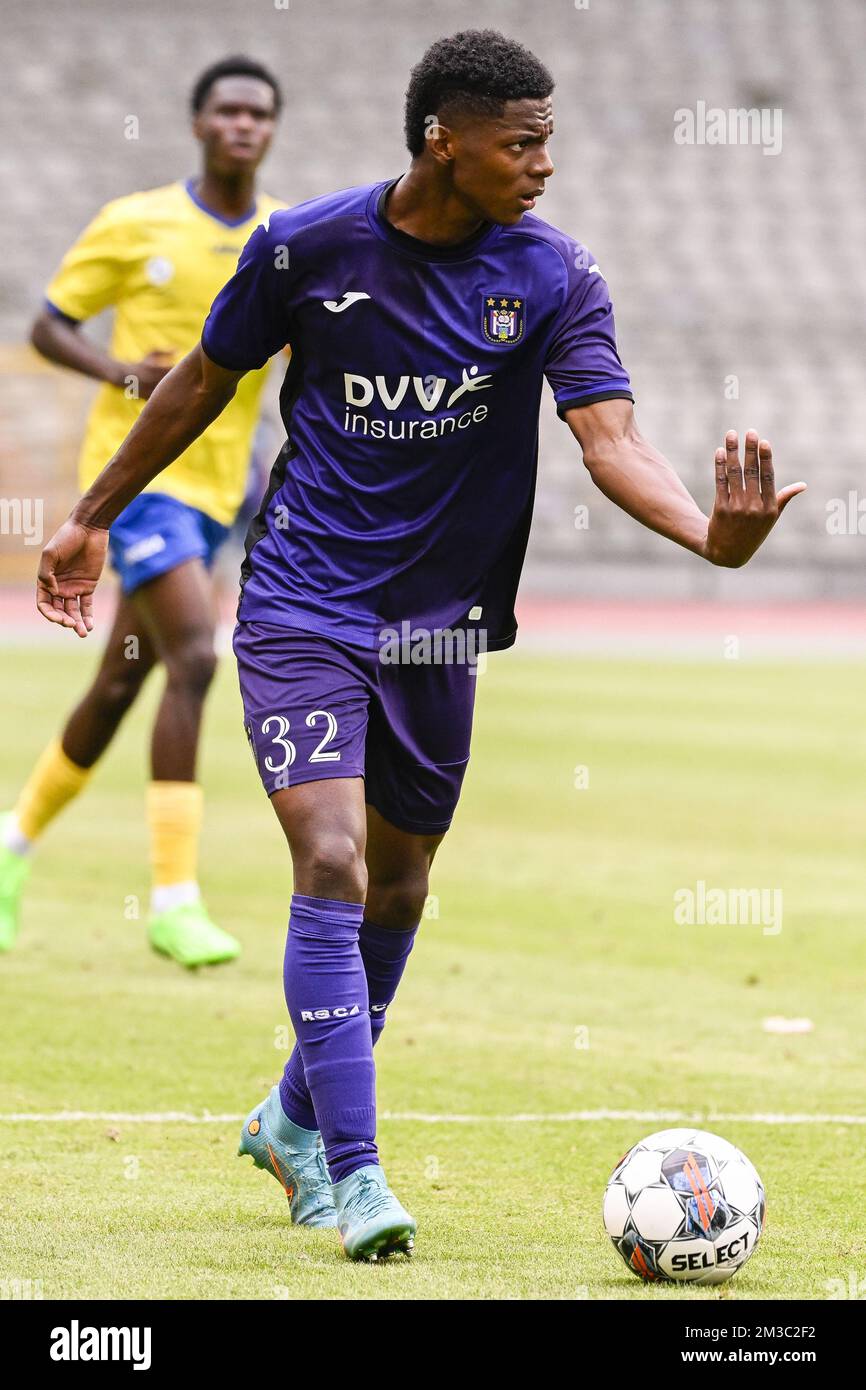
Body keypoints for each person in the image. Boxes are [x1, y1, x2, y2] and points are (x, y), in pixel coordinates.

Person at [33, 29, 805, 1258]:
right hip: (302, 601)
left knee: (400, 884)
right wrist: (89, 516)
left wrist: (704, 539)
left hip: (439, 631)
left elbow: (608, 439)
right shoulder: (306, 247)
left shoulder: (553, 272)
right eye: (522, 142)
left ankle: (291, 1114)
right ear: (443, 141)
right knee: (330, 860)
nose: (544, 163)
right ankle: (353, 1174)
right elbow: (198, 382)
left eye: (547, 139)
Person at [1, 56, 285, 967]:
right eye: (228, 111)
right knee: (199, 657)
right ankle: (173, 899)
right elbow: (50, 322)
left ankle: (9, 849)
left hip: (219, 490)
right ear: (198, 123)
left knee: (122, 681)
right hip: (137, 482)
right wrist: (122, 373)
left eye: (259, 115)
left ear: (271, 131)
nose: (243, 126)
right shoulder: (136, 223)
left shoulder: (286, 238)